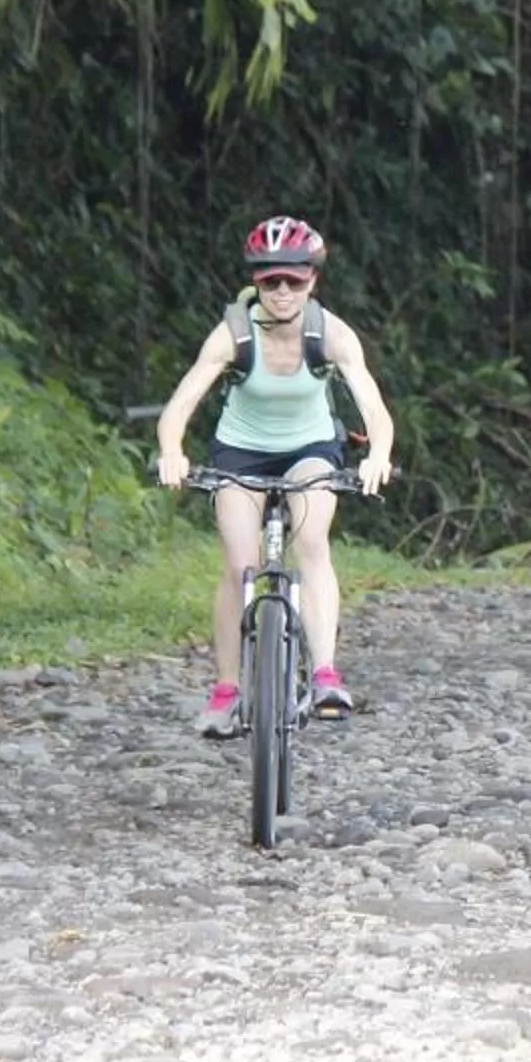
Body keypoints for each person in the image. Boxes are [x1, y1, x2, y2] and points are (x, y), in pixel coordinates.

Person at [154, 216, 396, 737]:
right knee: (240, 565)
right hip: (240, 453)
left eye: (294, 279)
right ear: (255, 282)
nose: (282, 290)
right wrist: (171, 451)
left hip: (311, 449)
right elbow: (179, 405)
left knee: (311, 544)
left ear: (313, 281)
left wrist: (378, 454)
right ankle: (226, 690)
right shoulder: (233, 334)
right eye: (269, 280)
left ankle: (326, 674)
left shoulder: (330, 334)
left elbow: (374, 408)